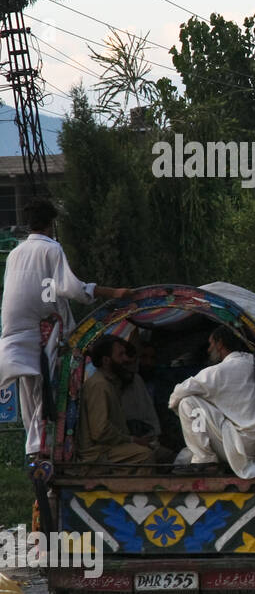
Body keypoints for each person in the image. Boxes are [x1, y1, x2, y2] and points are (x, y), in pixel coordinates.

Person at [0, 199, 130, 456]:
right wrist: (112, 292)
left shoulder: (15, 252)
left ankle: (35, 450)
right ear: (51, 225)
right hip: (42, 333)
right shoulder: (51, 249)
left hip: (13, 333)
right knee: (50, 393)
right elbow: (69, 288)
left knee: (31, 397)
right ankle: (50, 449)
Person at [168, 325, 255, 479]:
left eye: (211, 344)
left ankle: (205, 461)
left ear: (220, 344)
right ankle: (202, 456)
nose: (208, 349)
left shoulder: (221, 370)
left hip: (236, 445)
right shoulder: (253, 362)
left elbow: (178, 393)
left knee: (187, 402)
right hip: (251, 444)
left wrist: (178, 410)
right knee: (185, 456)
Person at [75, 336, 160, 467]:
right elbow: (100, 431)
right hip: (97, 452)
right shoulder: (99, 385)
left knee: (163, 453)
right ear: (106, 360)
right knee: (145, 455)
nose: (125, 359)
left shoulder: (111, 384)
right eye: (120, 355)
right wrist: (132, 440)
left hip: (110, 447)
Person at [121, 340, 161, 441]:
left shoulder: (137, 380)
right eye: (144, 357)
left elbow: (150, 415)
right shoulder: (108, 384)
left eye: (152, 358)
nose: (148, 362)